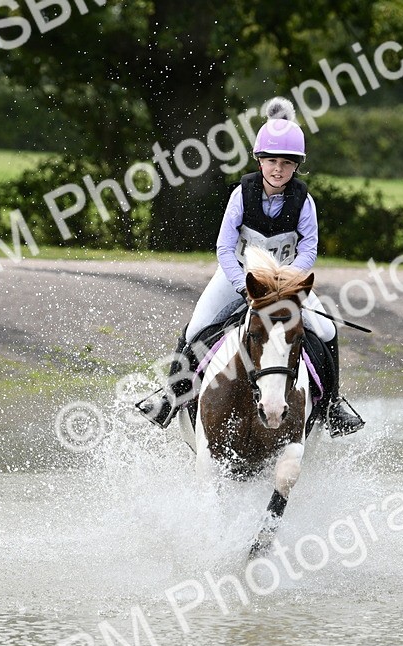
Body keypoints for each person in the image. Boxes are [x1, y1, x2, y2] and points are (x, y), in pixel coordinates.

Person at [137, 97, 364, 436]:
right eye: (271, 160)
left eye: (287, 163)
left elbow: (309, 249)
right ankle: (171, 396)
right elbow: (224, 247)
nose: (278, 169)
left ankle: (332, 405)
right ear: (260, 161)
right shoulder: (241, 195)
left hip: (285, 283)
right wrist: (244, 286)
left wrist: (288, 283)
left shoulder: (304, 200)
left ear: (296, 166)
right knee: (197, 327)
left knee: (328, 331)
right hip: (239, 277)